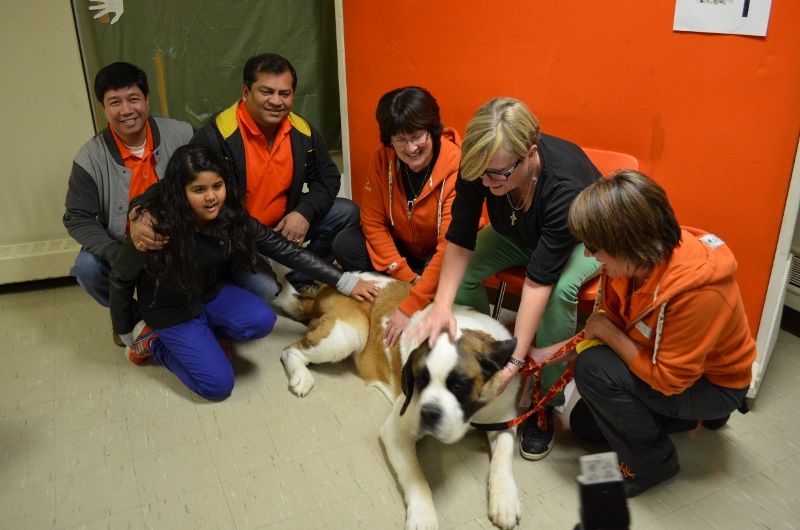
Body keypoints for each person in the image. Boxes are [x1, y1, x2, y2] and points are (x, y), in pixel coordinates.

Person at [538, 170, 755, 497]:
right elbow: (605, 324)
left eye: (594, 246)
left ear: (628, 243)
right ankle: (681, 421)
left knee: (593, 369)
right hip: (670, 366)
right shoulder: (629, 263)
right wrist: (547, 355)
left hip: (712, 384)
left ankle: (653, 463)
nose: (587, 255)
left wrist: (607, 334)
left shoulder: (700, 294)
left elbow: (667, 379)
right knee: (584, 426)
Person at [409, 97, 601, 461]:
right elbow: (460, 238)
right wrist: (442, 307)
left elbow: (538, 280)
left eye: (497, 174)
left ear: (530, 154)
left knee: (560, 294)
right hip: (519, 231)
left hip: (581, 238)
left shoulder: (564, 187)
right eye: (480, 172)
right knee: (460, 277)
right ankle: (484, 347)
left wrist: (514, 363)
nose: (486, 181)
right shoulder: (482, 163)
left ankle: (546, 402)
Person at [109, 145, 379, 400]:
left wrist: (345, 281)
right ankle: (153, 341)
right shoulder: (153, 227)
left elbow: (285, 250)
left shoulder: (229, 216)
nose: (211, 196)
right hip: (171, 310)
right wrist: (124, 332)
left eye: (217, 186)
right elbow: (120, 278)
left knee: (261, 319)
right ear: (181, 192)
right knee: (217, 386)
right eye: (199, 189)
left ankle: (206, 339)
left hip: (209, 293)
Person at [131, 52, 358, 301]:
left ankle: (301, 280)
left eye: (285, 93)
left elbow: (327, 177)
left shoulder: (302, 131)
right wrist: (138, 210)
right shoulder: (216, 135)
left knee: (346, 212)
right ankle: (239, 275)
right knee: (266, 289)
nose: (276, 101)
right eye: (266, 92)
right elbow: (175, 182)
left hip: (282, 224)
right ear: (246, 91)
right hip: (239, 232)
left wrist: (304, 211)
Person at [63, 62, 194, 346]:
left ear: (147, 100)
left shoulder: (183, 134)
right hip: (123, 246)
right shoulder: (89, 158)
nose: (126, 110)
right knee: (86, 268)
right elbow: (77, 217)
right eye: (115, 102)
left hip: (177, 238)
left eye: (133, 99)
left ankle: (185, 314)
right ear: (103, 108)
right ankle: (136, 320)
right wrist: (114, 253)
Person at [332, 86, 462, 347]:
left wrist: (410, 304)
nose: (411, 148)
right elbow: (372, 222)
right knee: (344, 244)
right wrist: (404, 274)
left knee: (449, 270)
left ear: (433, 131)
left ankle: (419, 291)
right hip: (401, 249)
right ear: (389, 139)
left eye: (417, 136)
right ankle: (408, 287)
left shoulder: (459, 166)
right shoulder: (382, 160)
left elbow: (451, 244)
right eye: (400, 140)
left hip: (439, 253)